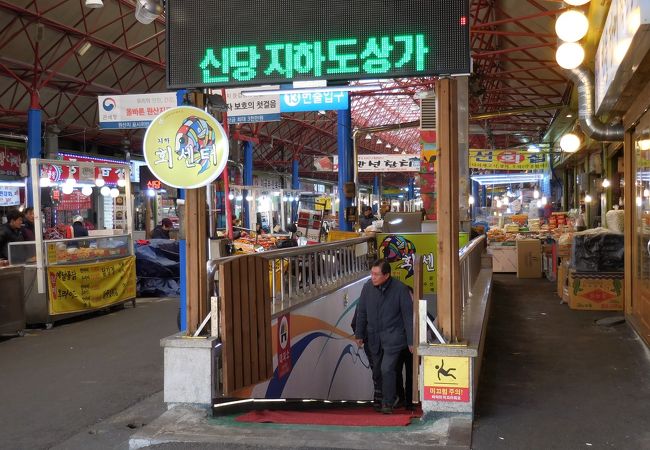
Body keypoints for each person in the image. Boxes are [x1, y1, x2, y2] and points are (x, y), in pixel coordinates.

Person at [354, 259, 413, 414]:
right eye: (372, 273)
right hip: (373, 337)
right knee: (377, 372)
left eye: (376, 274)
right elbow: (361, 313)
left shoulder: (400, 289)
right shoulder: (367, 288)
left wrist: (411, 341)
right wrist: (359, 334)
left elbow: (408, 316)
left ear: (387, 275)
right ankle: (386, 398)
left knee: (387, 368)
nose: (372, 277)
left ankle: (388, 403)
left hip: (394, 337)